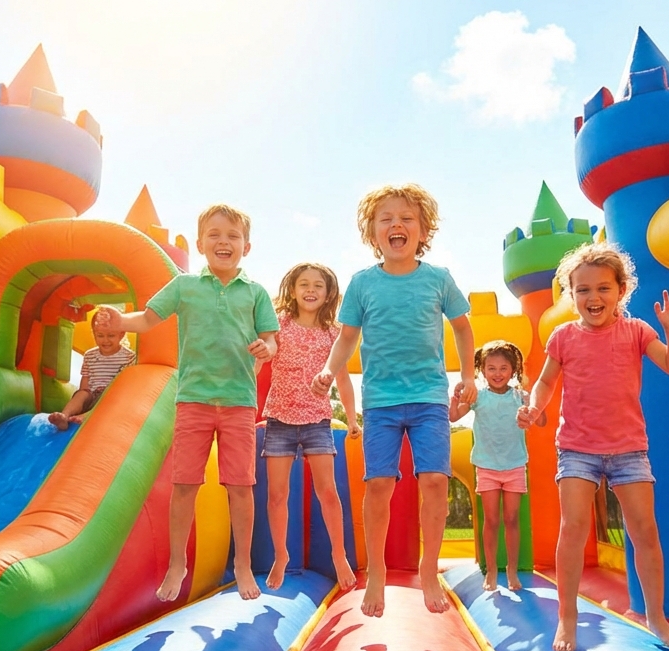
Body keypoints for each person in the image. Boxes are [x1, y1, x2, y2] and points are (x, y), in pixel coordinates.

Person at [93, 204, 277, 602]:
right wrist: (119, 322)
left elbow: (271, 339)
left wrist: (267, 347)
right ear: (200, 243)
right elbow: (146, 319)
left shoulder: (256, 292)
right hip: (192, 399)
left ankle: (243, 564)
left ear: (246, 246)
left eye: (232, 236)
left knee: (241, 487)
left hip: (239, 403)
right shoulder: (185, 286)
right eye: (214, 234)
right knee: (184, 484)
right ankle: (178, 563)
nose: (223, 242)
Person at [518, 241, 669, 651]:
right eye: (582, 290)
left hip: (629, 448)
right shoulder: (563, 337)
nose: (593, 298)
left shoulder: (636, 332)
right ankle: (567, 617)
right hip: (577, 447)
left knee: (644, 531)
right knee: (573, 527)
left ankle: (656, 617)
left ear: (621, 291)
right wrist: (533, 406)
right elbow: (545, 382)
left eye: (602, 289)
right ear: (570, 294)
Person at [313, 183, 476, 618]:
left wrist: (468, 376)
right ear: (372, 233)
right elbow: (347, 337)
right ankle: (379, 571)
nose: (396, 224)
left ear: (423, 231)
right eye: (385, 219)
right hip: (382, 400)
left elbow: (462, 327)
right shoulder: (363, 284)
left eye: (406, 218)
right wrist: (330, 370)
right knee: (379, 484)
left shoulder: (438, 279)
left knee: (435, 481)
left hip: (428, 398)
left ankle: (427, 568)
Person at [262, 262, 361, 592]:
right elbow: (265, 353)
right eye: (303, 284)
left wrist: (351, 417)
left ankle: (339, 554)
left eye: (318, 285)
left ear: (328, 293)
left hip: (317, 419)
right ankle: (280, 555)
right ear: (292, 290)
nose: (310, 290)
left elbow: (344, 380)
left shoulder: (334, 334)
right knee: (277, 495)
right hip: (279, 418)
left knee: (328, 492)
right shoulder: (280, 323)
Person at [450, 340, 543, 592]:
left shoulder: (520, 396)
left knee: (512, 519)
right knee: (491, 520)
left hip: (514, 466)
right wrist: (456, 396)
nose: (498, 373)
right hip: (487, 466)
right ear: (482, 371)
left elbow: (541, 420)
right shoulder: (478, 396)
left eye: (503, 368)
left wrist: (533, 404)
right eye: (491, 368)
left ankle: (511, 571)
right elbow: (453, 416)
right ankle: (491, 571)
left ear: (512, 370)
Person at [48, 325, 136, 431]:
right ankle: (64, 416)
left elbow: (127, 384)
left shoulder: (129, 357)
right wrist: (84, 395)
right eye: (100, 335)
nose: (105, 340)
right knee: (82, 393)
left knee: (110, 393)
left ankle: (87, 415)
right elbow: (85, 379)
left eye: (111, 336)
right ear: (94, 334)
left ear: (121, 335)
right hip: (92, 396)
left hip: (111, 398)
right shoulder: (90, 355)